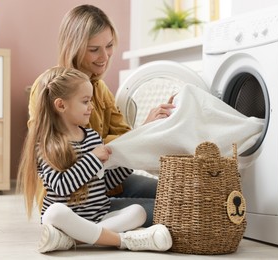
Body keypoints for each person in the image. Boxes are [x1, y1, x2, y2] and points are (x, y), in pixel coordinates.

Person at [27, 4, 175, 227]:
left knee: (174, 194)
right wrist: (108, 150)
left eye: (109, 46)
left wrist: (146, 129)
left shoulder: (100, 89)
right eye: (94, 49)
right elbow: (57, 147)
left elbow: (122, 142)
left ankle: (104, 228)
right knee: (166, 209)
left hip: (103, 182)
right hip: (73, 198)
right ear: (74, 48)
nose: (104, 56)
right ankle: (96, 230)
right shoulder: (49, 87)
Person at [17, 67, 172, 253]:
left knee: (137, 211)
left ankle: (71, 239)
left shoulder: (91, 137)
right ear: (61, 105)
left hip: (99, 215)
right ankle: (124, 240)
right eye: (85, 101)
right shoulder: (46, 144)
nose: (91, 106)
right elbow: (61, 186)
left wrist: (128, 161)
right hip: (67, 219)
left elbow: (104, 182)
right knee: (54, 212)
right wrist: (92, 159)